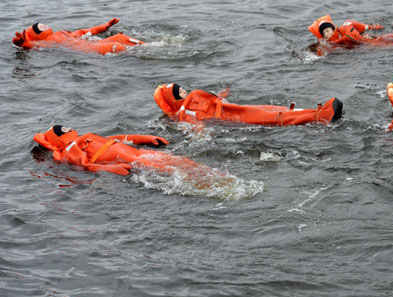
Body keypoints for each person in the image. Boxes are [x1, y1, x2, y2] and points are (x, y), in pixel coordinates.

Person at [33, 125, 211, 176]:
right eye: (63, 129)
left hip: (138, 153)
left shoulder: (84, 137)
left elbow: (117, 138)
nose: (68, 127)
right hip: (132, 160)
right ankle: (211, 183)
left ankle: (212, 174)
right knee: (172, 171)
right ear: (59, 137)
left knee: (181, 162)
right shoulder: (70, 149)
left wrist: (145, 138)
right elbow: (86, 165)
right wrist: (111, 169)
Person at [153, 83, 343, 126]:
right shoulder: (185, 113)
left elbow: (210, 101)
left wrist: (222, 94)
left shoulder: (190, 104)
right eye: (181, 92)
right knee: (274, 117)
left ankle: (315, 111)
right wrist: (201, 137)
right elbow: (196, 128)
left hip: (236, 109)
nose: (185, 92)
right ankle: (322, 117)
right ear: (176, 99)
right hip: (235, 117)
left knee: (277, 110)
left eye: (184, 90)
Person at [12, 19, 143, 55]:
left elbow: (85, 32)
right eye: (39, 28)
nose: (44, 27)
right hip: (92, 50)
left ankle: (152, 46)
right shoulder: (48, 43)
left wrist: (105, 26)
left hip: (96, 43)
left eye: (42, 25)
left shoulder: (62, 33)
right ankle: (142, 54)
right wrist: (24, 44)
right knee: (116, 46)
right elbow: (36, 46)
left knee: (120, 37)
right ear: (37, 35)